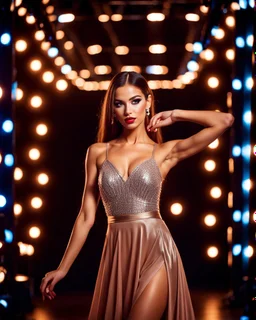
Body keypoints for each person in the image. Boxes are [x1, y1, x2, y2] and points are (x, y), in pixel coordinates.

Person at [40, 71, 234, 319]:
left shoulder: (164, 152)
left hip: (157, 249)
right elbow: (86, 216)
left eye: (135, 101)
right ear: (112, 109)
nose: (128, 111)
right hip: (118, 252)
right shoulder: (97, 152)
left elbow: (225, 121)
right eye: (119, 103)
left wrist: (175, 115)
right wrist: (62, 269)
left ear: (148, 102)